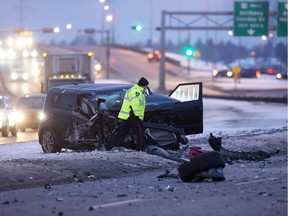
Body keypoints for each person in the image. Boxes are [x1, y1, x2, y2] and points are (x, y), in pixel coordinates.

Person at [104, 77, 149, 151]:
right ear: (143, 85)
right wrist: (137, 115)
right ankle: (141, 148)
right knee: (140, 132)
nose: (146, 88)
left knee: (122, 132)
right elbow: (135, 104)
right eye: (146, 86)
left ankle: (108, 145)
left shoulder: (132, 90)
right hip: (133, 116)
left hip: (127, 115)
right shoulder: (137, 92)